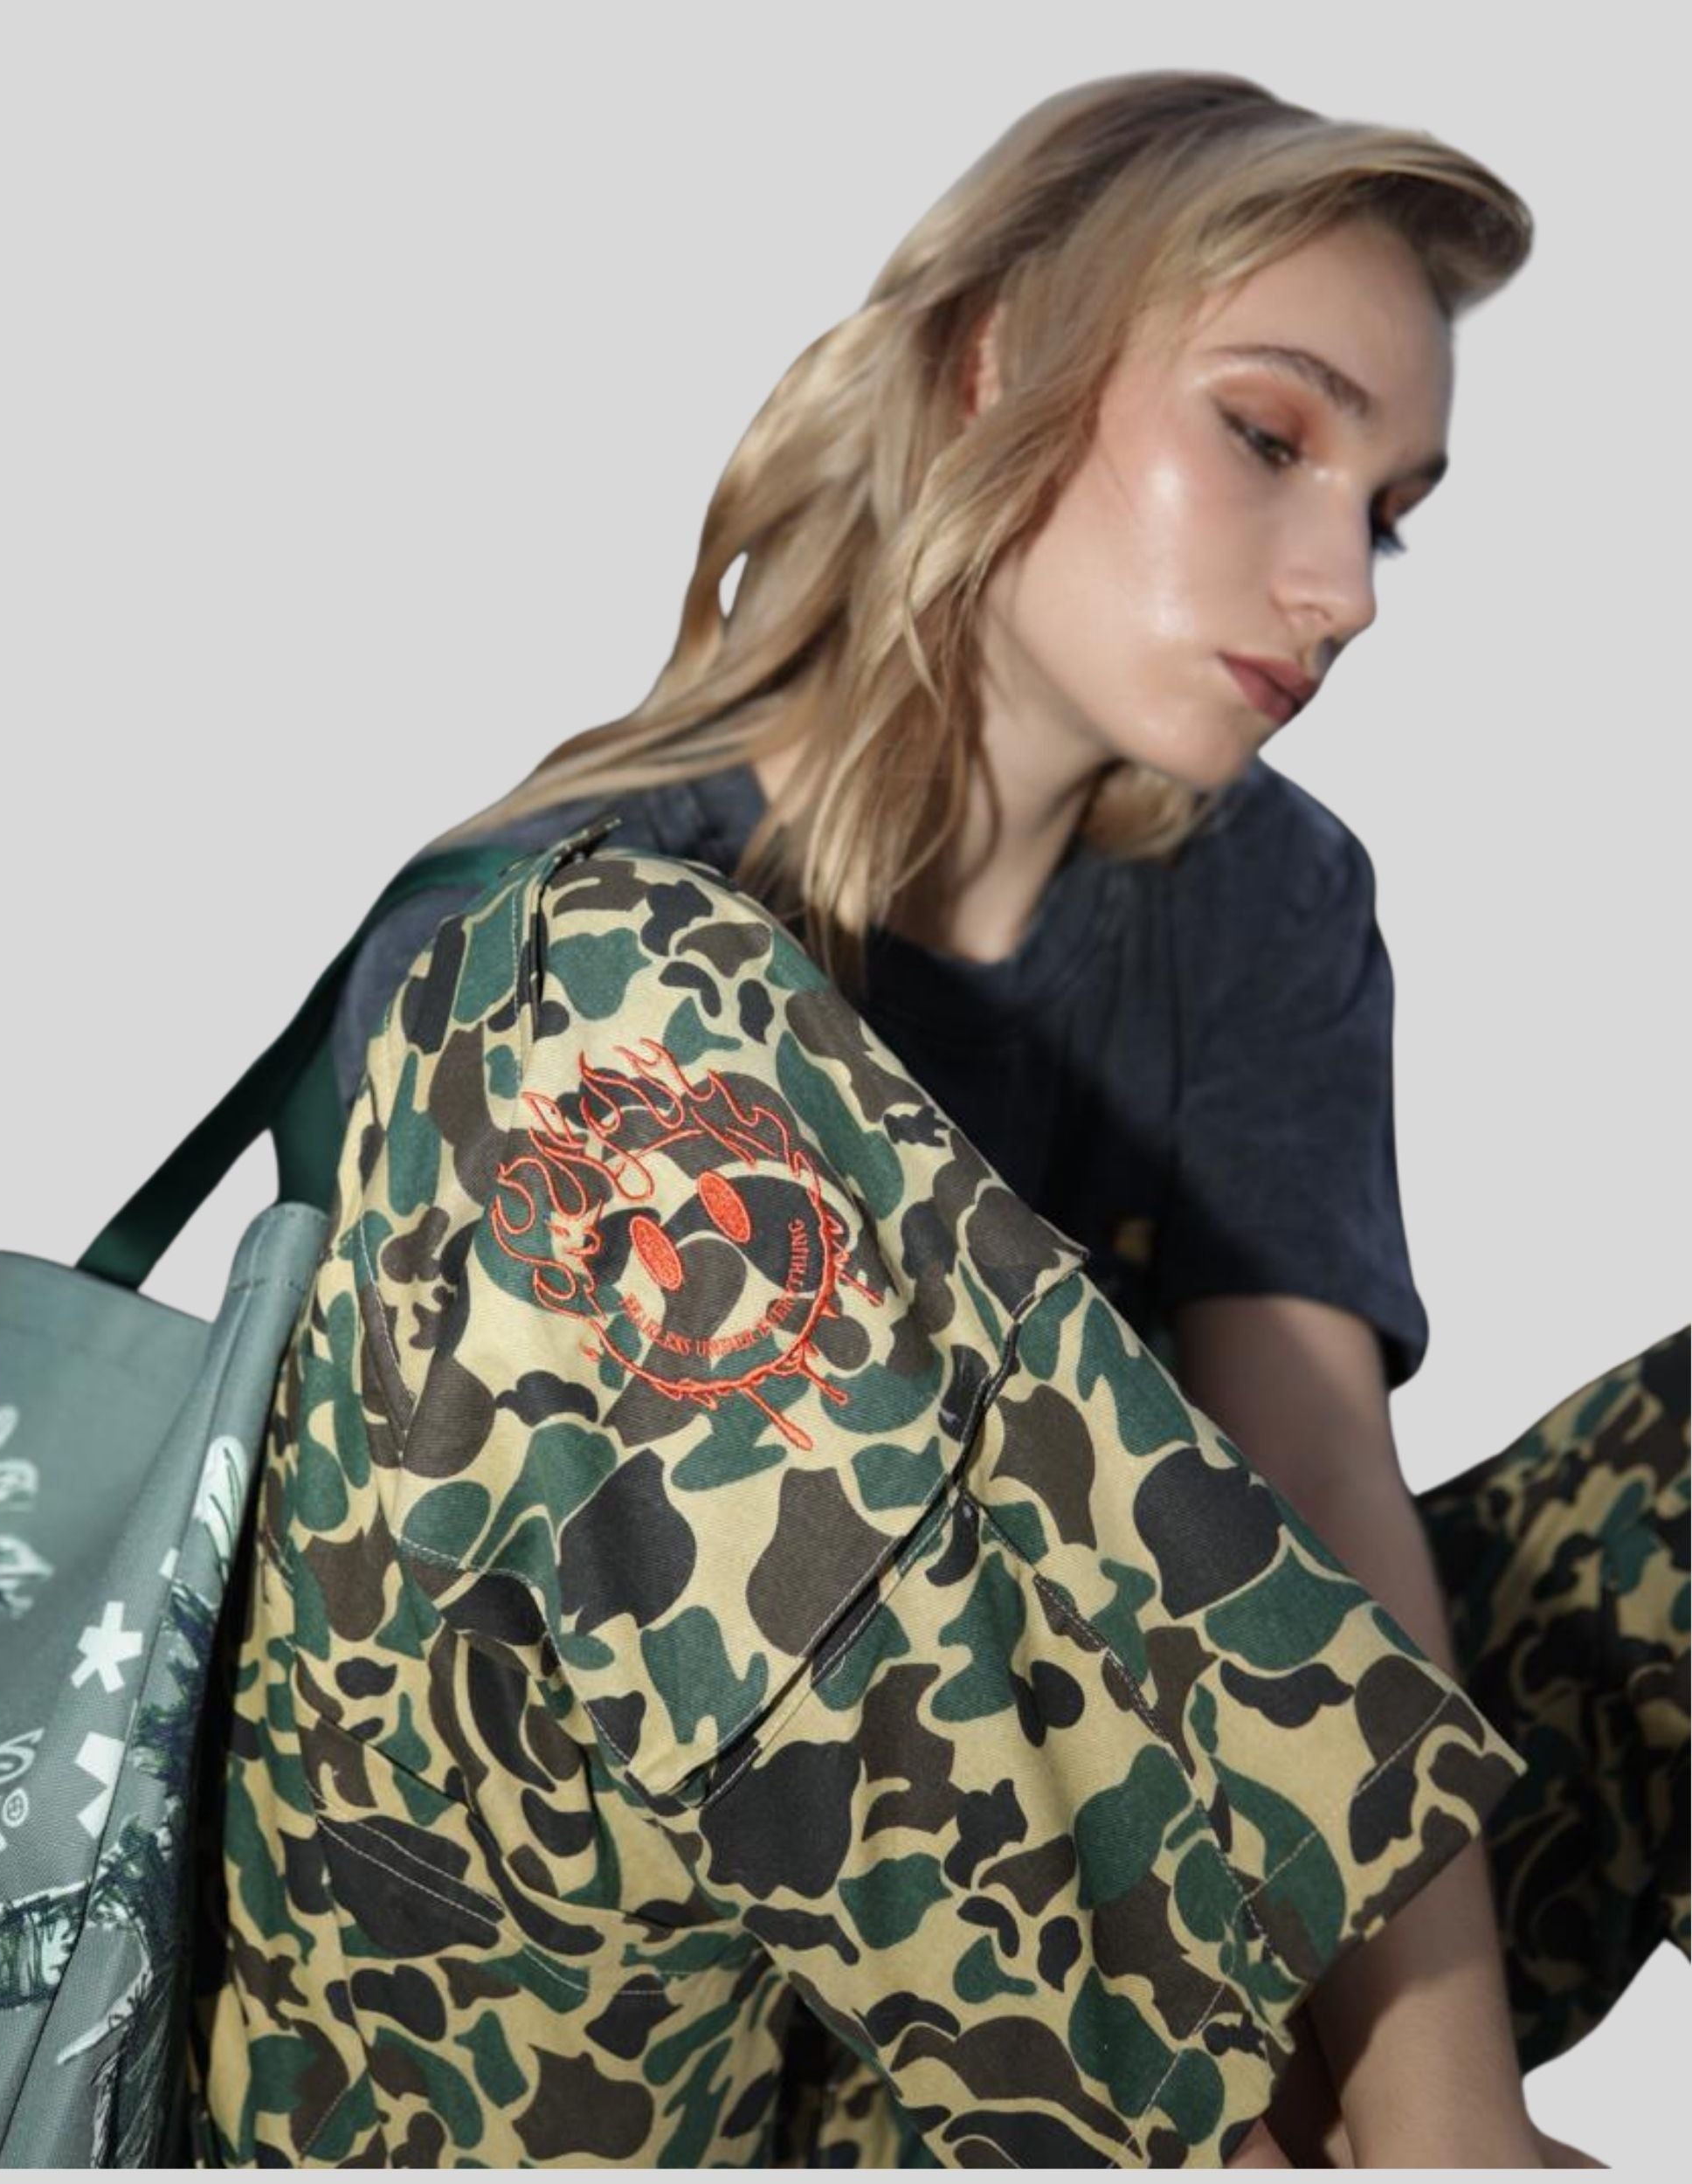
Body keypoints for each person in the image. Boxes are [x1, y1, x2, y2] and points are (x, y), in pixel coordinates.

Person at [186, 71, 1687, 2167]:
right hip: (537, 2031)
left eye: (1387, 508)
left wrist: (1452, 2115)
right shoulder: (550, 937)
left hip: (1042, 2007)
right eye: (1270, 438)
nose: (1343, 583)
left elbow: (1314, 1461)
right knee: (610, 1002)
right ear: (997, 360)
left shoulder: (1261, 899)